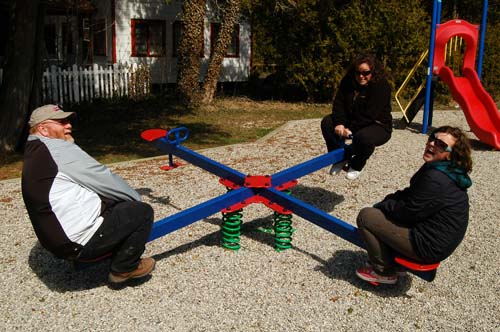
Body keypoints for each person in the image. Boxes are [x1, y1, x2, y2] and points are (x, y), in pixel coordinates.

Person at [22, 104, 156, 285]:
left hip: (56, 240)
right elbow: (102, 177)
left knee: (114, 202)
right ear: (43, 129)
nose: (68, 125)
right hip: (77, 245)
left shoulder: (34, 149)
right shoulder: (58, 150)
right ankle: (124, 269)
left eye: (67, 121)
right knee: (141, 212)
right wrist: (135, 199)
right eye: (61, 122)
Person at [355, 126, 473, 284]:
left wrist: (383, 205)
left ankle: (384, 271)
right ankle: (395, 260)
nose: (432, 144)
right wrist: (389, 201)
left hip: (429, 246)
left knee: (367, 216)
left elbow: (407, 212)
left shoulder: (436, 178)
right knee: (384, 213)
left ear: (451, 155)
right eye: (432, 138)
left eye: (441, 145)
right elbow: (411, 194)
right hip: (438, 238)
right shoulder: (445, 169)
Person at [321, 53, 393, 180]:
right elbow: (339, 103)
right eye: (358, 72)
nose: (361, 76)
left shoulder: (382, 86)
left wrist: (351, 129)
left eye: (366, 73)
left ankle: (357, 164)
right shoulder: (348, 81)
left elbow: (370, 114)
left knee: (363, 138)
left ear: (373, 72)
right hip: (353, 119)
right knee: (327, 122)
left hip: (377, 124)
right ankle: (339, 158)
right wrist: (339, 123)